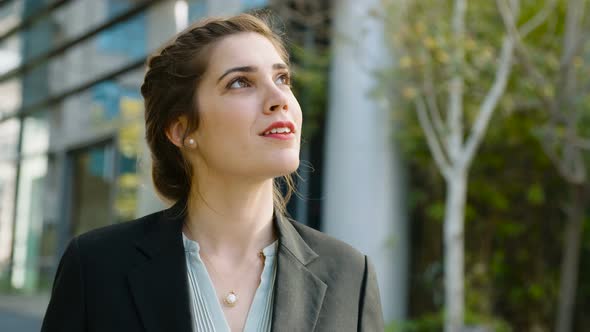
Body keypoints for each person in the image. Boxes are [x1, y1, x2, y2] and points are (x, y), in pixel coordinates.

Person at [41, 13, 384, 332]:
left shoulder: (350, 275)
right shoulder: (96, 267)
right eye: (240, 83)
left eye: (282, 78)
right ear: (182, 129)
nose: (279, 98)